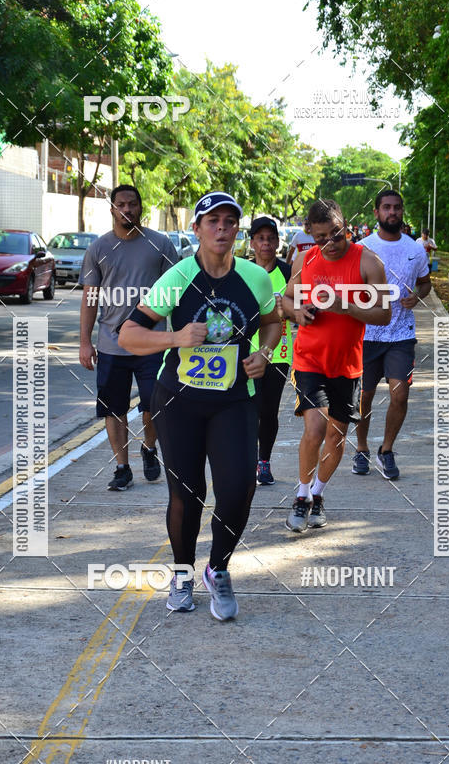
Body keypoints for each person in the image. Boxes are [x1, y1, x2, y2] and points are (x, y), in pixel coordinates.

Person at [118, 191, 281, 621]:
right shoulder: (177, 278)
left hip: (234, 399)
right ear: (197, 230)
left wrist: (264, 354)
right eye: (213, 222)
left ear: (237, 231)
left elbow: (273, 322)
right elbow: (128, 336)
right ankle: (182, 574)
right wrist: (174, 338)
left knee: (239, 489)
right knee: (186, 495)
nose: (222, 229)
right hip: (179, 401)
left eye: (230, 222)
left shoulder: (255, 278)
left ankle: (218, 569)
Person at [281, 199, 390, 532]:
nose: (328, 244)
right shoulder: (303, 259)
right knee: (314, 430)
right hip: (309, 358)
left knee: (336, 436)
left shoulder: (368, 262)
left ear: (347, 228)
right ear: (310, 235)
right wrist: (296, 311)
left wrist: (347, 307)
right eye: (320, 238)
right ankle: (301, 496)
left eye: (336, 235)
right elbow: (286, 300)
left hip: (347, 365)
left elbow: (384, 314)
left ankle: (318, 494)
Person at [79, 185, 177, 490]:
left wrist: (177, 337)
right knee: (113, 408)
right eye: (121, 204)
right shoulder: (98, 249)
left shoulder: (160, 244)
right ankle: (122, 468)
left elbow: (178, 291)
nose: (127, 209)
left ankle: (149, 447)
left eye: (133, 204)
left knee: (154, 404)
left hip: (152, 342)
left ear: (141, 207)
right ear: (112, 209)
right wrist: (85, 342)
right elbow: (90, 299)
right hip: (111, 343)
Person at [354, 189, 431, 480]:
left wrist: (418, 296)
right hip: (367, 334)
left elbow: (426, 283)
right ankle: (361, 449)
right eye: (386, 207)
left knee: (400, 396)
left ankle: (386, 450)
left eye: (397, 207)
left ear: (402, 211)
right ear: (376, 213)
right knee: (365, 396)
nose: (392, 212)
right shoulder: (362, 248)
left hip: (401, 334)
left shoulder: (415, 249)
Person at [248, 216, 292, 485]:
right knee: (247, 409)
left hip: (278, 352)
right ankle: (247, 459)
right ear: (252, 243)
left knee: (268, 411)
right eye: (260, 238)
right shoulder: (241, 271)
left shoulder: (288, 273)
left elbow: (299, 309)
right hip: (244, 351)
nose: (266, 243)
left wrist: (283, 307)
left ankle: (263, 461)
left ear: (277, 242)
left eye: (270, 238)